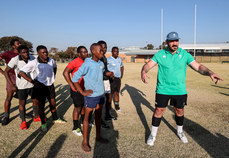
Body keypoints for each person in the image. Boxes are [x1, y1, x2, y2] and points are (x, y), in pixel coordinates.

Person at [141, 32, 223, 146]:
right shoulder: (160, 54)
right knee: (158, 111)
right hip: (163, 89)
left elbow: (198, 66)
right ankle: (153, 135)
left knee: (179, 111)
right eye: (172, 41)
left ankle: (180, 132)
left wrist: (210, 72)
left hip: (179, 90)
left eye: (176, 41)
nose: (175, 43)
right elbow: (149, 65)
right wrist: (144, 71)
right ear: (167, 42)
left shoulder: (185, 54)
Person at [72, 43, 109, 152]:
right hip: (91, 96)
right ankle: (84, 142)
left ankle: (98, 137)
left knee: (98, 116)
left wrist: (109, 74)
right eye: (100, 51)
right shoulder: (87, 63)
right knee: (87, 117)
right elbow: (75, 78)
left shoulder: (101, 63)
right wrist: (82, 91)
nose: (102, 52)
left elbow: (101, 73)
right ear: (93, 51)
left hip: (101, 94)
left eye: (103, 50)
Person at [19, 45, 65, 131]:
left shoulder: (51, 60)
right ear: (38, 53)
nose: (45, 54)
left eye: (46, 51)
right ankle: (43, 124)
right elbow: (21, 72)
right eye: (43, 52)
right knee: (41, 106)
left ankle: (55, 118)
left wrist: (52, 76)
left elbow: (54, 68)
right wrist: (32, 81)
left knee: (53, 103)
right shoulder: (34, 62)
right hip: (40, 87)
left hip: (50, 86)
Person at [4, 45, 40, 130]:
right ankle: (23, 121)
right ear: (19, 53)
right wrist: (12, 85)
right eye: (23, 52)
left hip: (32, 84)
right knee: (22, 103)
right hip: (21, 86)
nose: (26, 54)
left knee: (35, 100)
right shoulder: (15, 59)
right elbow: (6, 72)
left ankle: (36, 116)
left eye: (27, 51)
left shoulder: (32, 58)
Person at [63, 46, 88, 136]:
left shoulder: (87, 61)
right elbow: (65, 72)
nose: (86, 53)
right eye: (84, 52)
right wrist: (72, 85)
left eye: (86, 52)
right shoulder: (75, 62)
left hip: (85, 89)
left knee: (85, 106)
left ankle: (83, 122)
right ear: (79, 53)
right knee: (77, 107)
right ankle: (75, 127)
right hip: (77, 89)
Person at [0, 39, 21, 125]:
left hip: (21, 77)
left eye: (20, 43)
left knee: (22, 96)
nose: (20, 44)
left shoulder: (23, 52)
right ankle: (6, 116)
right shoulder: (8, 53)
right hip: (11, 76)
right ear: (13, 46)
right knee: (9, 96)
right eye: (17, 43)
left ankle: (22, 113)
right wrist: (3, 73)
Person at [98, 40, 114, 124]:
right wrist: (106, 73)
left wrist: (110, 73)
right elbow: (97, 71)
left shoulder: (104, 57)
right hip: (100, 82)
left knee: (108, 98)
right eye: (103, 47)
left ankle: (107, 114)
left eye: (106, 47)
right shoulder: (97, 57)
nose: (105, 49)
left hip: (106, 81)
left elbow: (105, 69)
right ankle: (100, 120)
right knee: (101, 101)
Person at [107, 47, 124, 114]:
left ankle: (117, 107)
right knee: (110, 94)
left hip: (118, 79)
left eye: (117, 51)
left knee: (117, 93)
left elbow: (122, 67)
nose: (117, 53)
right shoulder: (108, 59)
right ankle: (109, 109)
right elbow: (105, 69)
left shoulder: (119, 59)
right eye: (115, 51)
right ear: (112, 52)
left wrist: (121, 75)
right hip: (111, 79)